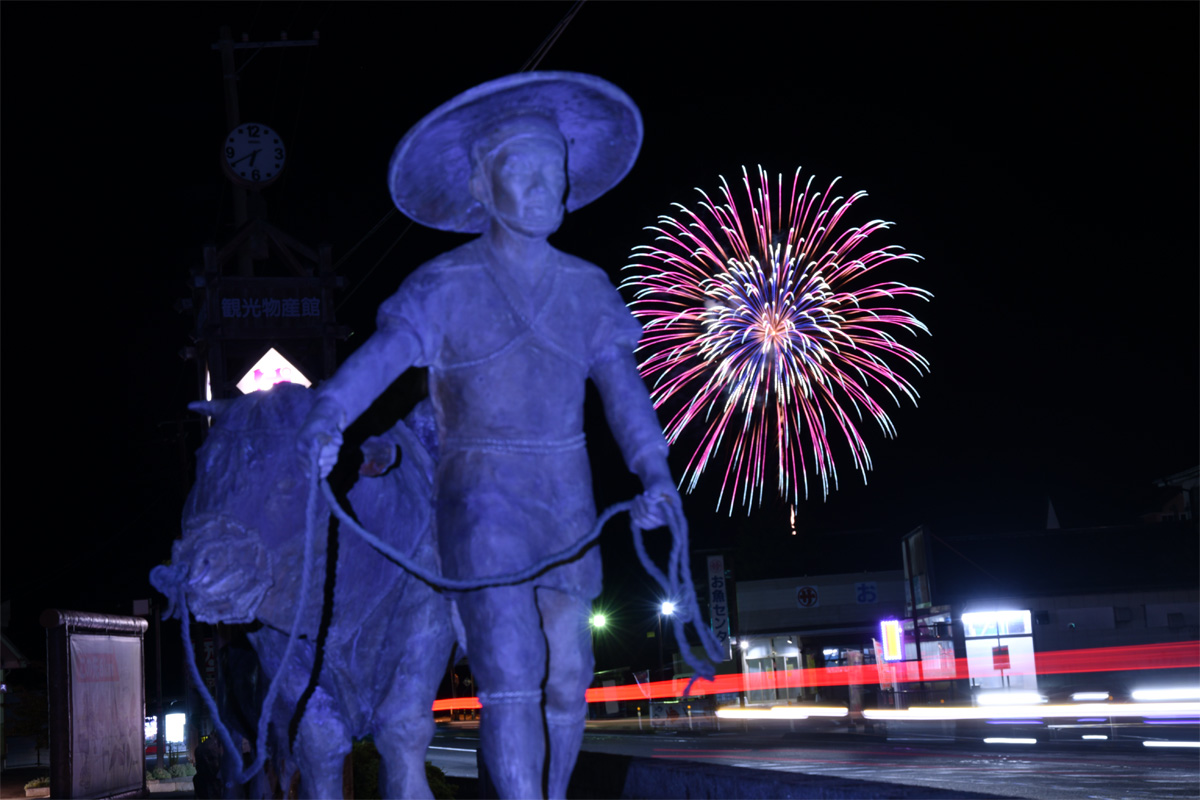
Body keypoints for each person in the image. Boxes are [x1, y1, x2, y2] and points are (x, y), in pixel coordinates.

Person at [297, 72, 680, 799]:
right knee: (511, 671)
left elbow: (624, 391)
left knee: (568, 675)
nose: (544, 188)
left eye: (556, 174)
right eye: (523, 172)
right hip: (479, 497)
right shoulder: (443, 286)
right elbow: (377, 361)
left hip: (565, 494)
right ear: (481, 183)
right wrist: (328, 415)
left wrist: (652, 468)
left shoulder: (589, 288)